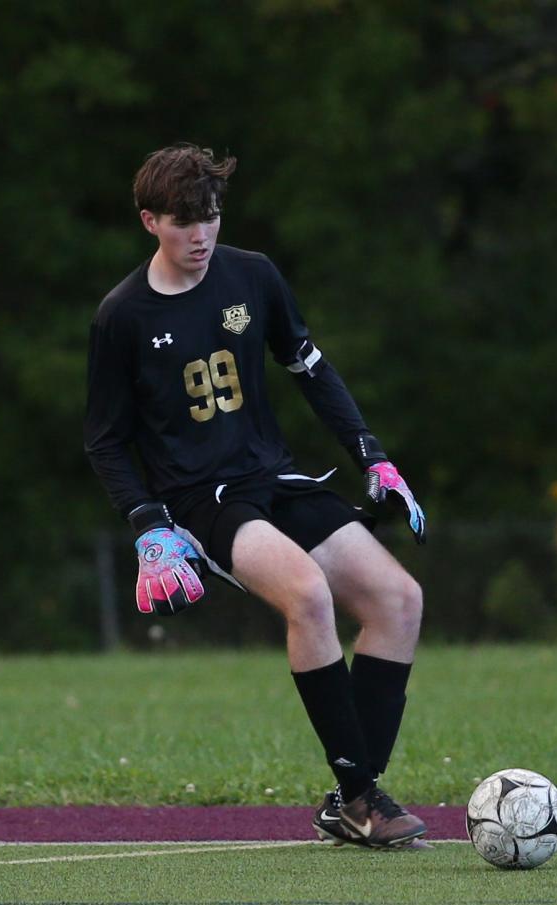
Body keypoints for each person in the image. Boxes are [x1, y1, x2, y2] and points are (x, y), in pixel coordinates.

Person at [84, 144, 428, 849]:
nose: (201, 233)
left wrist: (374, 454)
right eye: (182, 221)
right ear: (150, 221)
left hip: (274, 478)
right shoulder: (121, 316)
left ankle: (351, 795)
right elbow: (105, 441)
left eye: (209, 215)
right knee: (307, 593)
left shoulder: (253, 275)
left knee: (399, 599)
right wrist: (147, 522)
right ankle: (362, 796)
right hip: (202, 499)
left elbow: (307, 364)